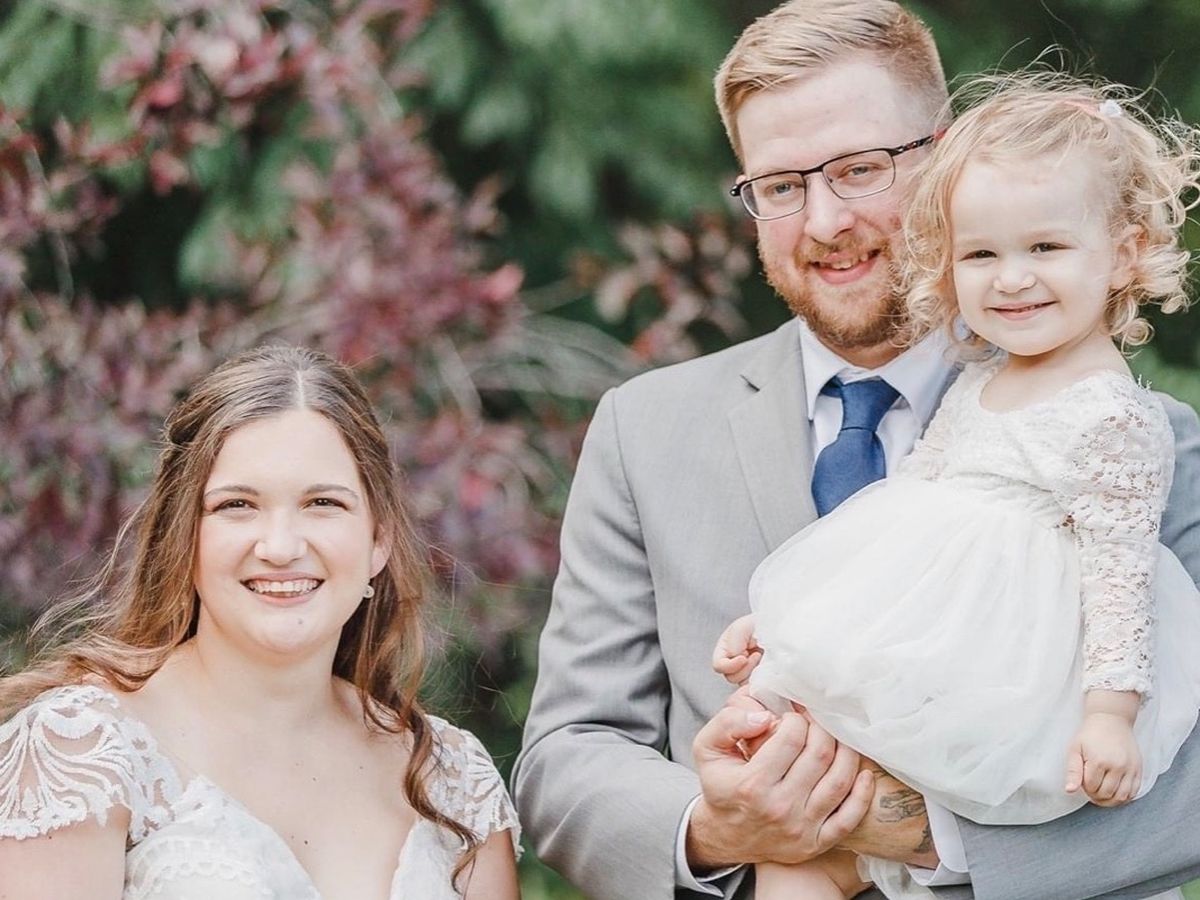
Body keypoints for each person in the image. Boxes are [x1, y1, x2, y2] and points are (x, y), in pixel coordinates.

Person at [513, 2, 1200, 899]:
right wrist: (722, 826)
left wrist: (913, 834)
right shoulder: (644, 429)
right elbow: (568, 756)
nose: (825, 220)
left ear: (946, 162)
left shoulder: (1140, 437)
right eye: (780, 186)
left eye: (860, 169)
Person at [713, 69, 1200, 900]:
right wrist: (791, 617)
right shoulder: (981, 380)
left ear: (1123, 253)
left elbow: (1120, 581)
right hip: (929, 640)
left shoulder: (1114, 417)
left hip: (1014, 671)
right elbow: (900, 508)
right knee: (795, 845)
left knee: (837, 822)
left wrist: (1109, 717)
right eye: (981, 254)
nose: (1010, 278)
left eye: (1045, 248)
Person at [0, 345, 521, 900]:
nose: (280, 547)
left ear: (379, 540)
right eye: (237, 505)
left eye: (322, 503)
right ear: (184, 536)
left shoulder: (453, 781)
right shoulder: (80, 752)